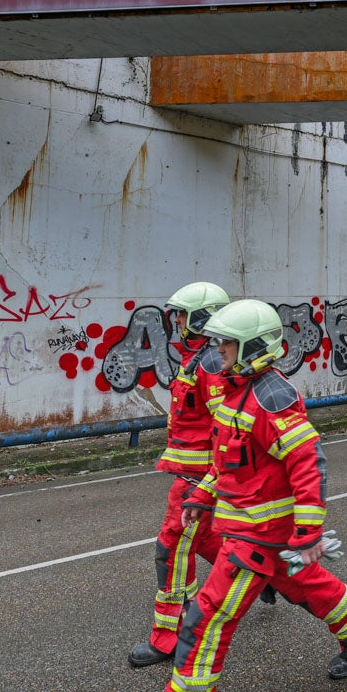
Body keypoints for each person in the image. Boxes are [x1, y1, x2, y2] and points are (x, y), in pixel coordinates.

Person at [151, 299, 347, 692]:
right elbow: (226, 462)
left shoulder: (272, 397)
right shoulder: (235, 393)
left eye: (226, 345)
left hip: (257, 537)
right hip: (252, 531)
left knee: (206, 622)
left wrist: (309, 531)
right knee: (306, 584)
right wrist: (202, 495)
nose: (217, 351)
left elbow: (308, 462)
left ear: (252, 347)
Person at [128, 282, 231, 669]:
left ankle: (167, 638)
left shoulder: (209, 363)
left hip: (197, 479)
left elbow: (227, 427)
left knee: (170, 550)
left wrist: (209, 481)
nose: (178, 322)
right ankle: (262, 574)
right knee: (207, 539)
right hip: (194, 474)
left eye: (184, 315)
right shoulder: (201, 358)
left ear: (202, 317)